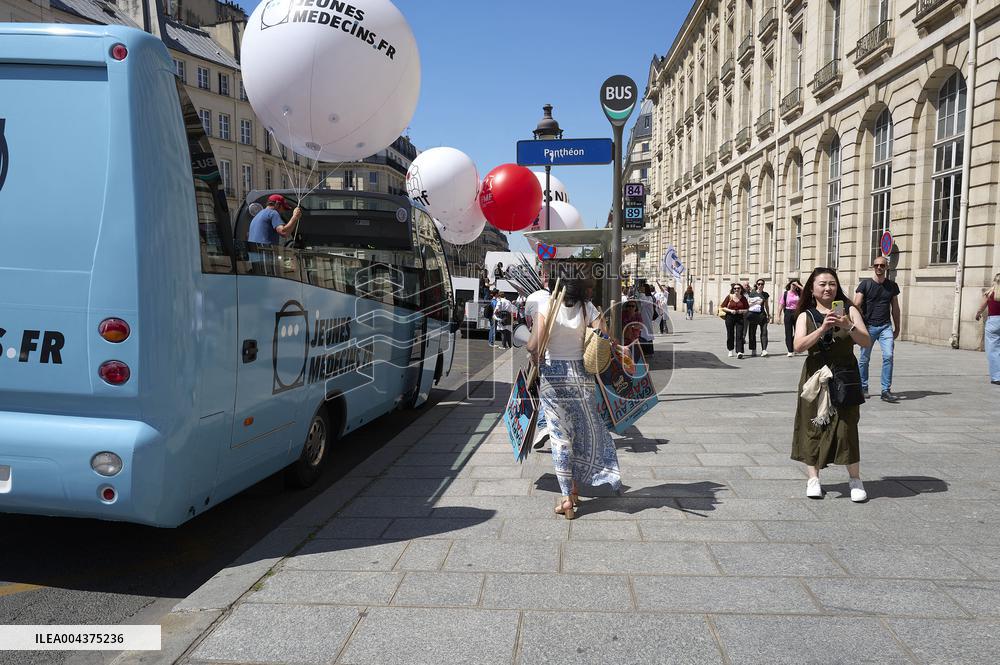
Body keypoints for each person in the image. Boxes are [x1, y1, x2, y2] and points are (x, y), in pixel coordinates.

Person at [527, 278, 623, 520]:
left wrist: (534, 356)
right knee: (579, 434)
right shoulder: (587, 308)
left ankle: (567, 499)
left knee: (560, 438)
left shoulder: (547, 305)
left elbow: (532, 345)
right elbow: (605, 338)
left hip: (553, 377)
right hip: (581, 377)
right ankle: (575, 489)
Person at [792, 267, 872, 502]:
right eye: (822, 284)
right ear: (812, 288)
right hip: (815, 376)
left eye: (832, 284)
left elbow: (866, 341)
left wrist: (848, 325)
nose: (828, 288)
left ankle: (855, 480)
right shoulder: (805, 315)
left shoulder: (849, 310)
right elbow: (798, 346)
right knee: (813, 425)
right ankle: (813, 478)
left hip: (845, 374)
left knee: (847, 426)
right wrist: (823, 328)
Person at [854, 257, 901, 402]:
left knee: (888, 356)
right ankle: (863, 387)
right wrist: (857, 327)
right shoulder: (865, 285)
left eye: (882, 265)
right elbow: (856, 305)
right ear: (873, 267)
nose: (879, 267)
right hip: (868, 327)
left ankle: (885, 390)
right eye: (876, 265)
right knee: (864, 358)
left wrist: (898, 327)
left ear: (886, 267)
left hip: (885, 326)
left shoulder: (892, 286)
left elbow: (896, 308)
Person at [974, 272, 1000, 385]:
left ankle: (997, 377)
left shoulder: (989, 293)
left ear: (995, 281)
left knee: (993, 350)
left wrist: (977, 314)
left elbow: (981, 307)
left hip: (993, 322)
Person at [721, 283, 749, 359]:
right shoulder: (729, 297)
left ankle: (740, 351)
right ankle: (730, 349)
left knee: (740, 334)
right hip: (730, 317)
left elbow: (747, 309)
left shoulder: (743, 298)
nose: (736, 290)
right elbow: (723, 307)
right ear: (733, 289)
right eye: (735, 288)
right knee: (730, 333)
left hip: (739, 317)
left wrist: (741, 311)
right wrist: (730, 310)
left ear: (741, 289)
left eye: (738, 288)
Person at [776, 280, 803, 357]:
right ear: (789, 285)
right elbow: (781, 305)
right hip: (788, 312)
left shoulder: (799, 293)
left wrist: (798, 285)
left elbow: (806, 291)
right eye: (793, 284)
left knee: (798, 332)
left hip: (797, 312)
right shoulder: (785, 294)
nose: (794, 286)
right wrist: (778, 316)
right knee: (788, 332)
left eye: (795, 285)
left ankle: (795, 347)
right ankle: (790, 350)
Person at [746, 278, 771, 357]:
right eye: (759, 284)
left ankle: (764, 350)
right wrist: (756, 302)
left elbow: (766, 305)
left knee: (764, 332)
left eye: (762, 284)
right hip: (753, 314)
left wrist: (768, 314)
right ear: (756, 285)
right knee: (752, 332)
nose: (760, 285)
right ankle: (753, 349)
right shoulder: (752, 293)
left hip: (762, 314)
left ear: (764, 285)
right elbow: (748, 304)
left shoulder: (765, 294)